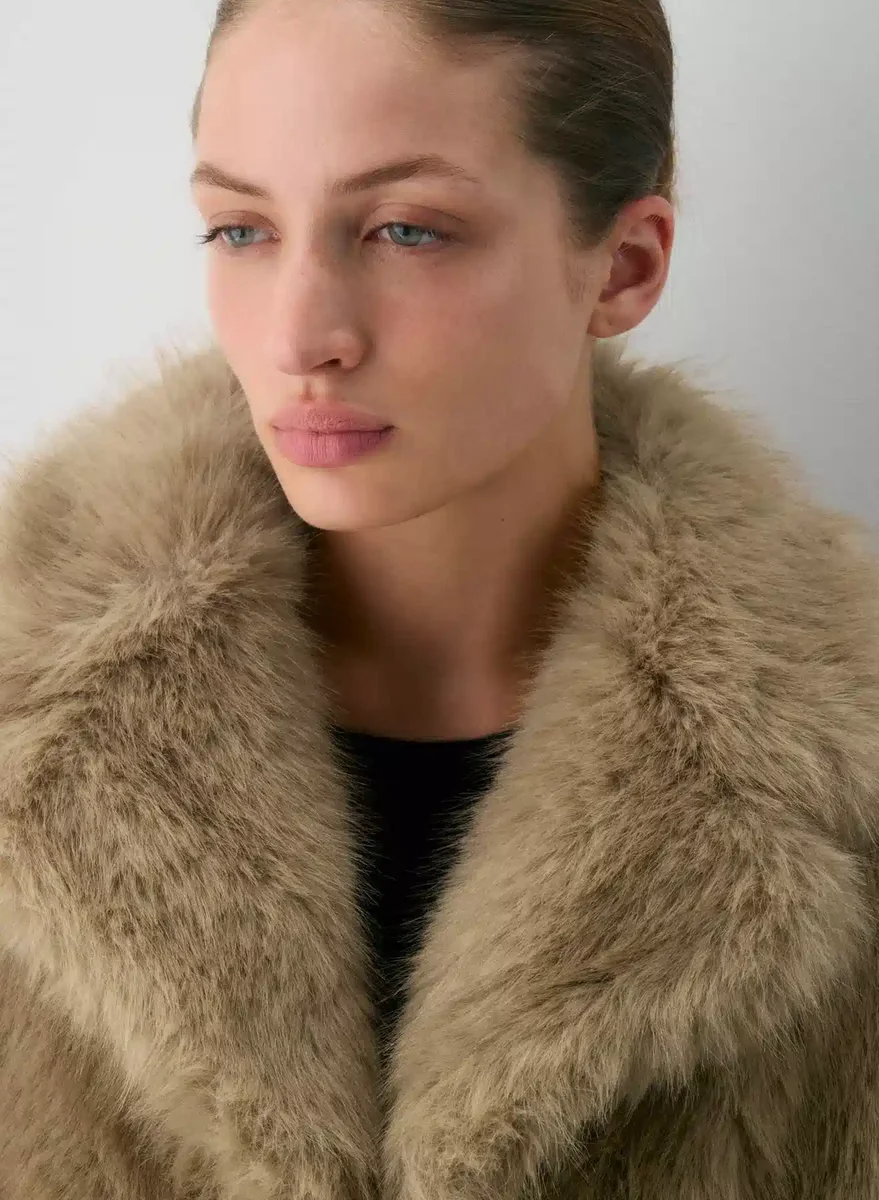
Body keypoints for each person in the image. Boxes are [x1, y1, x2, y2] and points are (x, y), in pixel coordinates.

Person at [0, 0, 877, 1196]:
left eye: (408, 230)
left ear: (625, 266)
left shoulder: (845, 767)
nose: (301, 336)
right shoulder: (27, 714)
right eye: (242, 230)